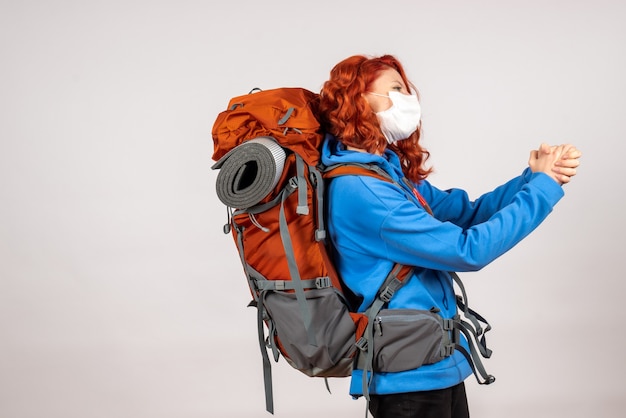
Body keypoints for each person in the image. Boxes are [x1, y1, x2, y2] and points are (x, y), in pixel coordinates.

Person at [317, 54, 581, 418]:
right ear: (358, 101)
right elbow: (467, 250)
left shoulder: (386, 173)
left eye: (407, 90)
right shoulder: (364, 192)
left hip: (434, 361)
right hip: (408, 377)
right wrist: (544, 189)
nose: (409, 100)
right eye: (395, 90)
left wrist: (533, 178)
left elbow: (466, 212)